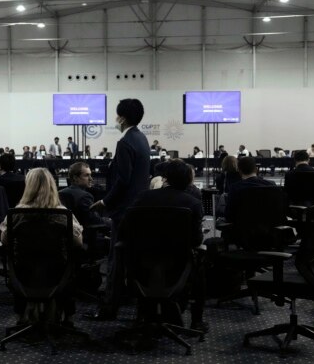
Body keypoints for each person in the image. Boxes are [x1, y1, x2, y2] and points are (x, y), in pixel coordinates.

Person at [89, 98, 150, 320]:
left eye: (116, 116)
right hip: (139, 210)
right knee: (131, 259)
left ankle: (109, 308)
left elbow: (122, 181)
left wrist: (105, 203)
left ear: (122, 118)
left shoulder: (125, 143)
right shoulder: (142, 139)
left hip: (124, 212)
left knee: (116, 260)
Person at [0, 167, 83, 325]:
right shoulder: (62, 214)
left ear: (28, 187)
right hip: (57, 271)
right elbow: (78, 243)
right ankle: (62, 315)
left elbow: (4, 241)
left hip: (24, 271)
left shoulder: (16, 213)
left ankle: (25, 315)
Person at [130, 158, 206, 328]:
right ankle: (197, 320)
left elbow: (127, 231)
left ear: (165, 178)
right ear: (189, 181)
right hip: (178, 268)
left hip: (142, 266)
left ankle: (143, 316)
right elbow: (196, 240)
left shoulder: (143, 197)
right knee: (201, 262)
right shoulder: (192, 203)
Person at [225, 157, 275, 223]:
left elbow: (229, 216)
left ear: (239, 171)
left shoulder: (234, 188)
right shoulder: (272, 185)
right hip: (269, 229)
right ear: (256, 170)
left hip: (242, 229)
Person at [59, 162, 109, 227]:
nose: (91, 179)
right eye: (87, 175)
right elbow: (95, 221)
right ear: (75, 178)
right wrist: (110, 221)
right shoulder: (85, 196)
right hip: (83, 233)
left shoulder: (60, 192)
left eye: (90, 175)